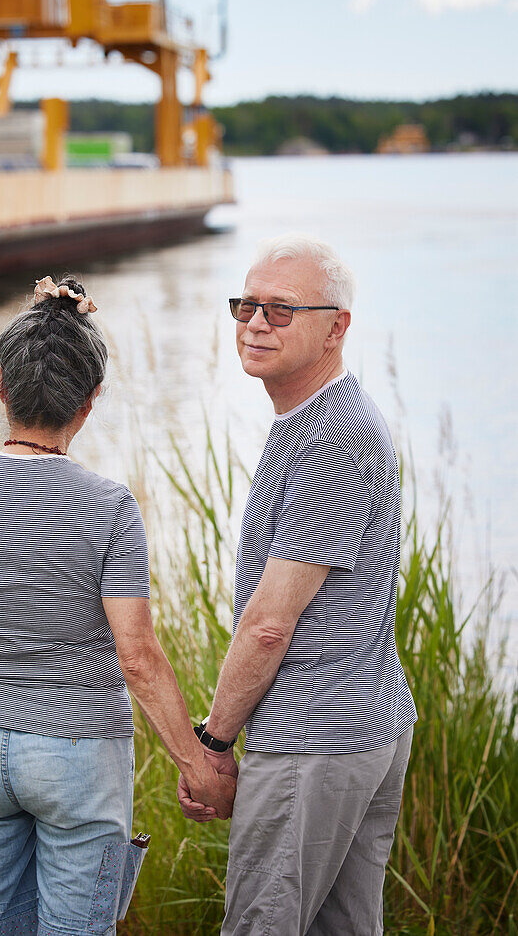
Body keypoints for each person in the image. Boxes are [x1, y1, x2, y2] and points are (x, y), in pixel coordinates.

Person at [0, 275, 234, 936]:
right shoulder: (110, 508)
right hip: (78, 752)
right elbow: (136, 656)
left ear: (2, 387)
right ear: (91, 401)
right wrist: (197, 765)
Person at [178, 233, 417, 935]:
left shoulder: (333, 436)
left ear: (336, 326)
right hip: (351, 725)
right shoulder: (307, 419)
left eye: (281, 310)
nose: (255, 322)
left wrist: (214, 744)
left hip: (317, 737)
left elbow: (269, 623)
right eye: (246, 305)